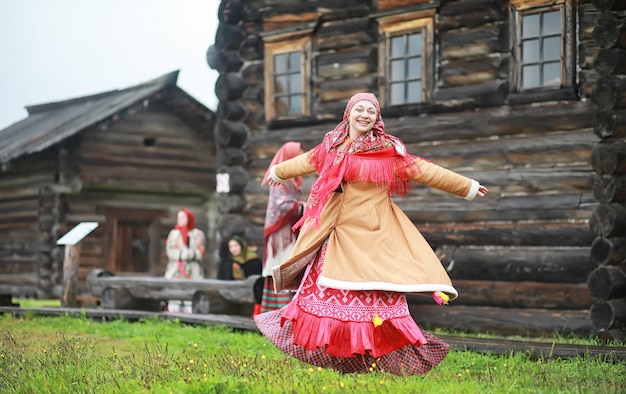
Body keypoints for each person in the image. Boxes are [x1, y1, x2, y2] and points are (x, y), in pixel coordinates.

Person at [254, 92, 488, 376]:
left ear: (378, 119)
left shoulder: (388, 151)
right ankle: (339, 358)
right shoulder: (331, 147)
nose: (365, 115)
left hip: (372, 237)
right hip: (337, 235)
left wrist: (468, 187)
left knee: (372, 304)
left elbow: (423, 170)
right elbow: (305, 161)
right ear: (348, 113)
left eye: (371, 111)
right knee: (325, 299)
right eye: (359, 109)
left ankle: (378, 360)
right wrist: (278, 171)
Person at [259, 142, 303, 313]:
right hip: (280, 236)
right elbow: (281, 206)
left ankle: (287, 313)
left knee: (288, 270)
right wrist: (303, 207)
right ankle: (277, 313)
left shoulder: (292, 180)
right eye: (298, 153)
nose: (301, 155)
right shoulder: (280, 179)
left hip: (288, 233)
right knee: (281, 268)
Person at [164, 208, 206, 312]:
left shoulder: (198, 234)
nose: (180, 219)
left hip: (193, 270)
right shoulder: (174, 234)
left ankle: (191, 315)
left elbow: (201, 251)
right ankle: (174, 314)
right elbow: (170, 251)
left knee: (192, 291)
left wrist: (191, 254)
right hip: (176, 270)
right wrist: (183, 254)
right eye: (179, 217)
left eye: (183, 217)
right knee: (175, 293)